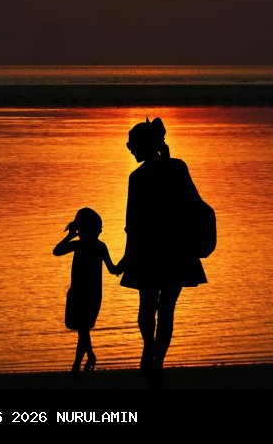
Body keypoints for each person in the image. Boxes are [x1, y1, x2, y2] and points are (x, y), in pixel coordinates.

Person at [117, 117, 207, 386]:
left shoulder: (138, 177)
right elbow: (193, 205)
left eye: (132, 145)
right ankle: (158, 360)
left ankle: (150, 350)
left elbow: (132, 223)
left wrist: (127, 256)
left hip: (148, 251)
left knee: (148, 305)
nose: (130, 150)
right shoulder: (177, 167)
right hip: (177, 249)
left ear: (144, 145)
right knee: (166, 308)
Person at [53, 207, 120, 376]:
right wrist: (70, 235)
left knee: (83, 329)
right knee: (83, 330)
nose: (100, 231)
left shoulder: (89, 246)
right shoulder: (87, 246)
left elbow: (113, 269)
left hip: (88, 294)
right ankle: (87, 358)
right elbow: (56, 251)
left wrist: (127, 261)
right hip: (81, 293)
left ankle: (79, 363)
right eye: (98, 228)